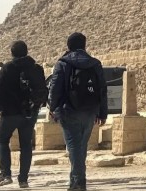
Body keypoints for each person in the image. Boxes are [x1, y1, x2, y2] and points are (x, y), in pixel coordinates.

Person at [48, 33, 107, 191]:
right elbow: (102, 90)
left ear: (68, 46)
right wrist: (103, 113)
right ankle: (76, 181)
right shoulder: (95, 64)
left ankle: (79, 181)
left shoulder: (62, 63)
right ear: (84, 45)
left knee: (74, 146)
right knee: (81, 146)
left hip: (69, 110)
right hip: (90, 111)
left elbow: (55, 89)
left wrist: (52, 108)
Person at [0, 41, 47, 187]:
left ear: (12, 53)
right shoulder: (36, 68)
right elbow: (43, 89)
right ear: (26, 52)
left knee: (2, 141)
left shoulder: (7, 68)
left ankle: (5, 174)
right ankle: (23, 179)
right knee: (26, 145)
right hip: (29, 113)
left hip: (10, 112)